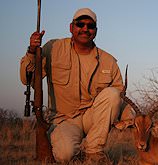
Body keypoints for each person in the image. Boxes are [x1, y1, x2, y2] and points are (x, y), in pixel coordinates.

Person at [20, 8, 129, 163]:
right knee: (65, 154)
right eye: (80, 24)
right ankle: (73, 150)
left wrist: (133, 120)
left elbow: (120, 97)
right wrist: (32, 51)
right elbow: (27, 80)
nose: (85, 29)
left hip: (92, 117)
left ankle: (94, 151)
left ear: (95, 31)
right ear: (71, 27)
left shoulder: (108, 60)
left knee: (113, 94)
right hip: (64, 120)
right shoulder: (53, 48)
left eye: (90, 26)